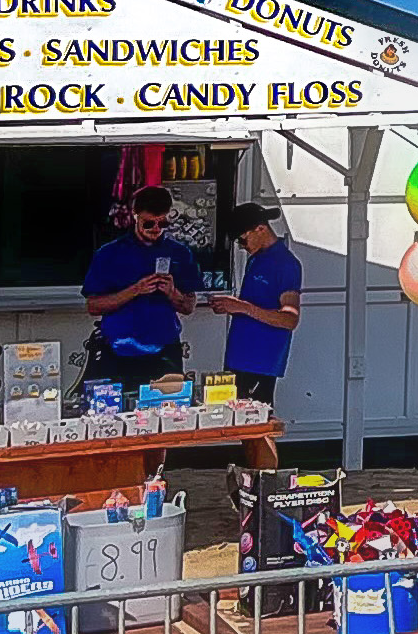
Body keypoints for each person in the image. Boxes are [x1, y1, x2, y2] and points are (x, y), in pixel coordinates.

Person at [202, 203, 303, 467]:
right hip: (242, 356)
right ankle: (252, 482)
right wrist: (233, 307)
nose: (241, 245)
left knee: (260, 424)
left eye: (242, 238)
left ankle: (266, 484)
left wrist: (241, 307)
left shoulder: (285, 264)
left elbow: (290, 318)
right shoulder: (257, 257)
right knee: (245, 425)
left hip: (261, 361)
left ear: (260, 229)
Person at [82, 185, 199, 388]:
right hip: (119, 349)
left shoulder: (180, 253)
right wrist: (135, 290)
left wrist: (172, 293)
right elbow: (94, 306)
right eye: (148, 224)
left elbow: (188, 306)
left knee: (170, 412)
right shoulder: (109, 254)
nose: (156, 229)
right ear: (135, 217)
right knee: (116, 415)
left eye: (162, 223)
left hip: (165, 350)